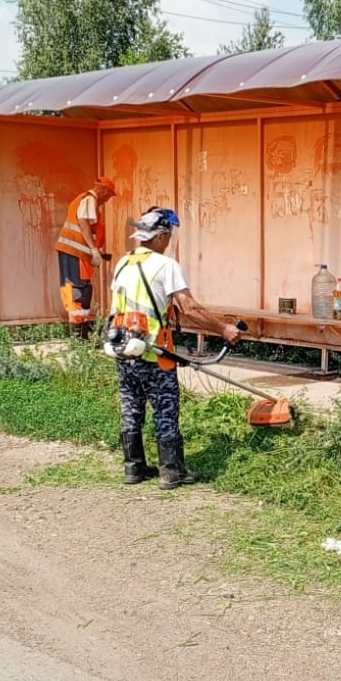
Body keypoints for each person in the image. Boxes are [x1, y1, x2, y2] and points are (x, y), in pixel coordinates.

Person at [106, 207, 243, 489]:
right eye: (169, 235)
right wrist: (225, 329)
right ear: (160, 235)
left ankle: (133, 467)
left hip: (124, 349)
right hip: (156, 353)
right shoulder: (166, 266)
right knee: (165, 410)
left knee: (131, 408)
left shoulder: (122, 263)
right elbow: (189, 308)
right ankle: (171, 472)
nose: (170, 240)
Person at [54, 177, 117, 338]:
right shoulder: (90, 200)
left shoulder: (85, 200)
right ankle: (79, 334)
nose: (107, 199)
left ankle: (81, 331)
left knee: (80, 289)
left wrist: (96, 251)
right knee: (78, 290)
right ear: (103, 190)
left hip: (75, 252)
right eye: (109, 195)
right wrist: (94, 249)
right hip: (75, 253)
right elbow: (83, 223)